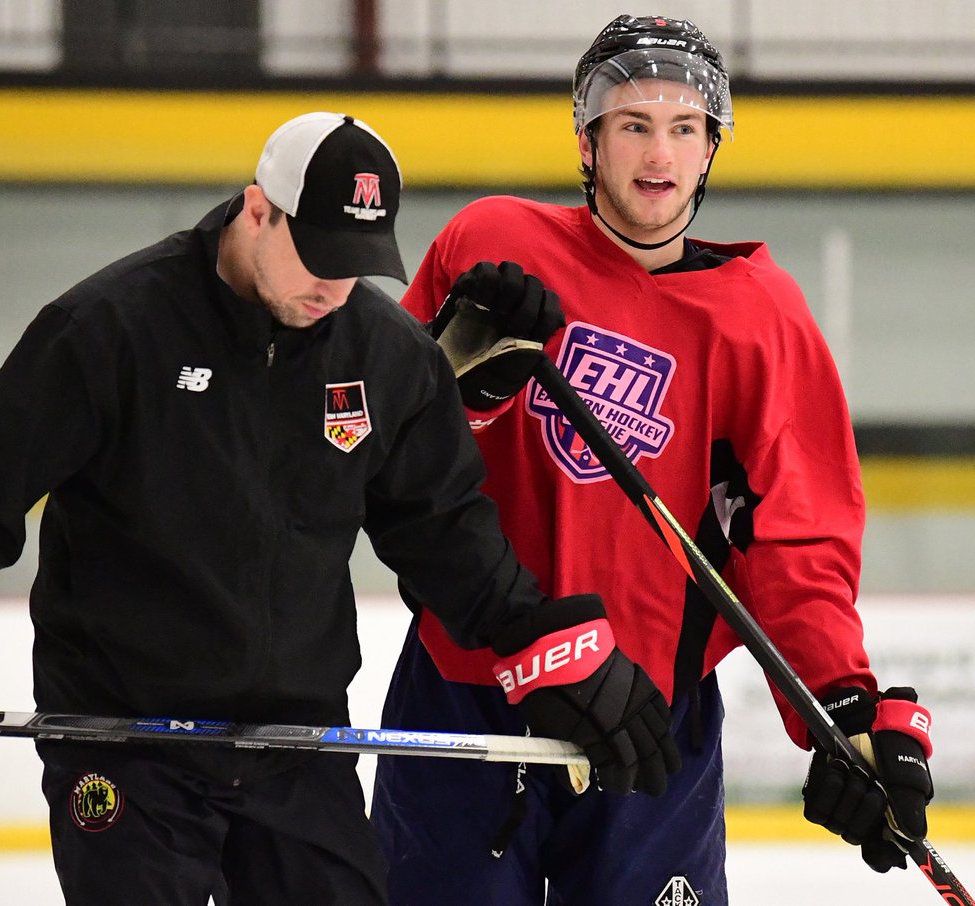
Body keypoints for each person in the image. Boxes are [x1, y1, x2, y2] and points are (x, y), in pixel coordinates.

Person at [0, 112, 679, 904]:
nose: (335, 285)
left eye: (359, 262)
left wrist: (538, 642)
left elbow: (447, 535)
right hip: (123, 742)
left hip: (297, 745)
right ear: (258, 209)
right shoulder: (112, 328)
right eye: (319, 254)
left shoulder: (387, 355)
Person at [371, 15, 936, 905]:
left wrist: (843, 709)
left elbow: (796, 544)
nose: (658, 152)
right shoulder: (491, 246)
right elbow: (380, 455)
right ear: (589, 141)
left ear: (711, 149)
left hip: (647, 721)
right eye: (633, 124)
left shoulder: (764, 321)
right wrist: (455, 393)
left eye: (684, 127)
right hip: (469, 694)